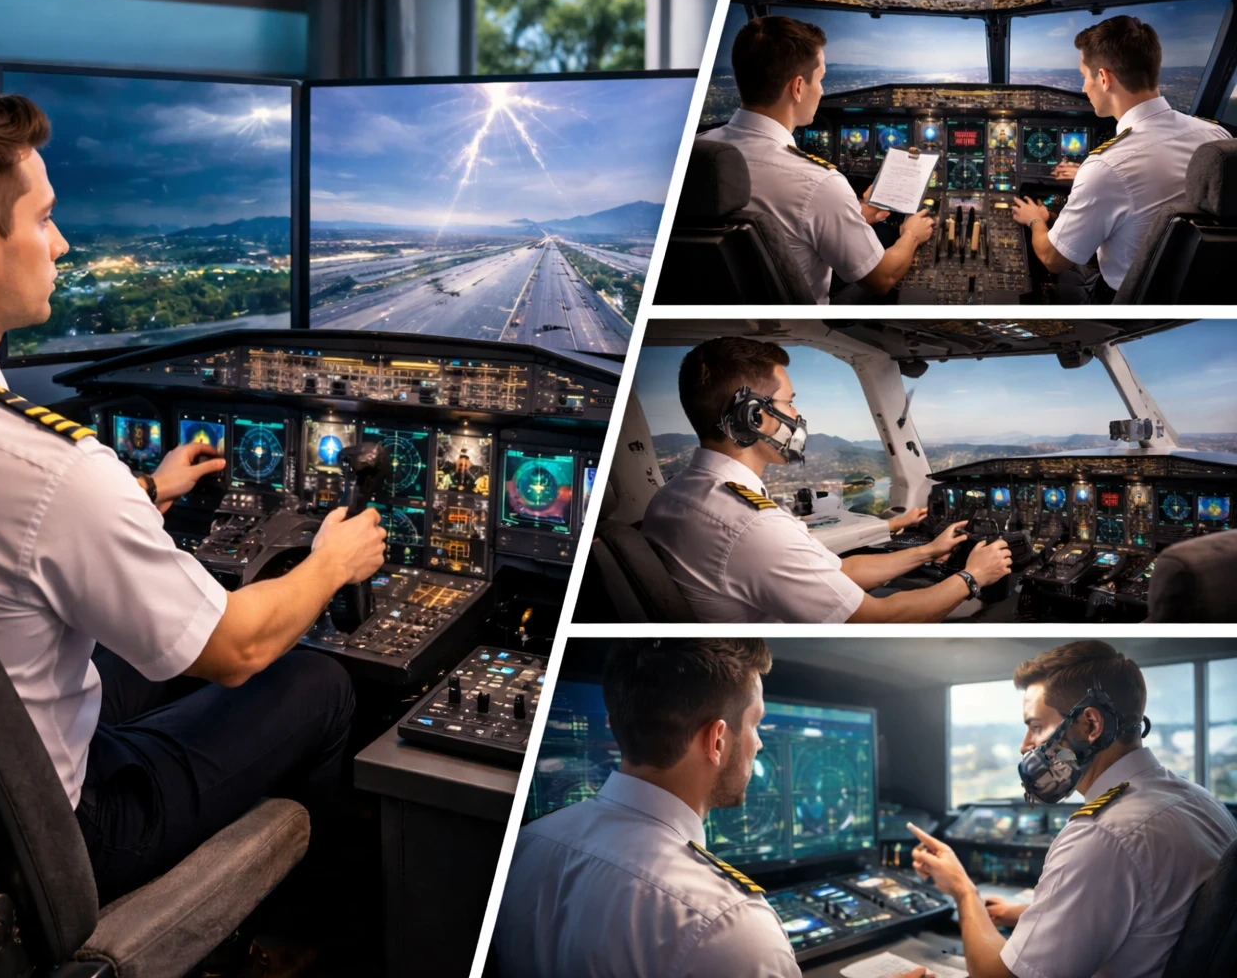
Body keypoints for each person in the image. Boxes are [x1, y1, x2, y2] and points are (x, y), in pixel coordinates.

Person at [0, 89, 386, 903]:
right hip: (43, 842)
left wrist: (138, 496)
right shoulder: (49, 467)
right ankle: (315, 933)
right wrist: (332, 563)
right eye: (45, 217)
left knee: (132, 658)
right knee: (315, 681)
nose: (62, 241)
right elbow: (235, 649)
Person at [492, 639, 933, 978]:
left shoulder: (526, 844)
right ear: (717, 740)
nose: (759, 742)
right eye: (756, 723)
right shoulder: (728, 925)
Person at [907, 640, 1237, 978]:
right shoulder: (1199, 800)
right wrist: (1024, 912)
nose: (1025, 746)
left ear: (1091, 725)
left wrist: (963, 891)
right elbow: (1154, 912)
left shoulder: (1102, 835)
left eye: (1036, 727)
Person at [643, 337, 1013, 623]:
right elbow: (876, 621)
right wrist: (972, 576)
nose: (797, 415)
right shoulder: (752, 526)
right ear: (753, 418)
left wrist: (928, 552)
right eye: (789, 402)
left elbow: (841, 572)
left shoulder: (674, 494)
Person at [700, 15, 935, 303]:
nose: (822, 90)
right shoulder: (818, 183)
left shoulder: (698, 153)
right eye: (821, 79)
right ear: (797, 88)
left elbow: (786, 224)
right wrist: (911, 234)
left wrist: (855, 212)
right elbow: (882, 278)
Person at [1010, 16, 1229, 303]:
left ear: (1104, 78)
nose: (1084, 87)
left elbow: (1053, 259)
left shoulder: (1107, 168)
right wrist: (1092, 176)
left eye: (1084, 76)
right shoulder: (1217, 136)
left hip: (1123, 299)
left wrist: (1036, 220)